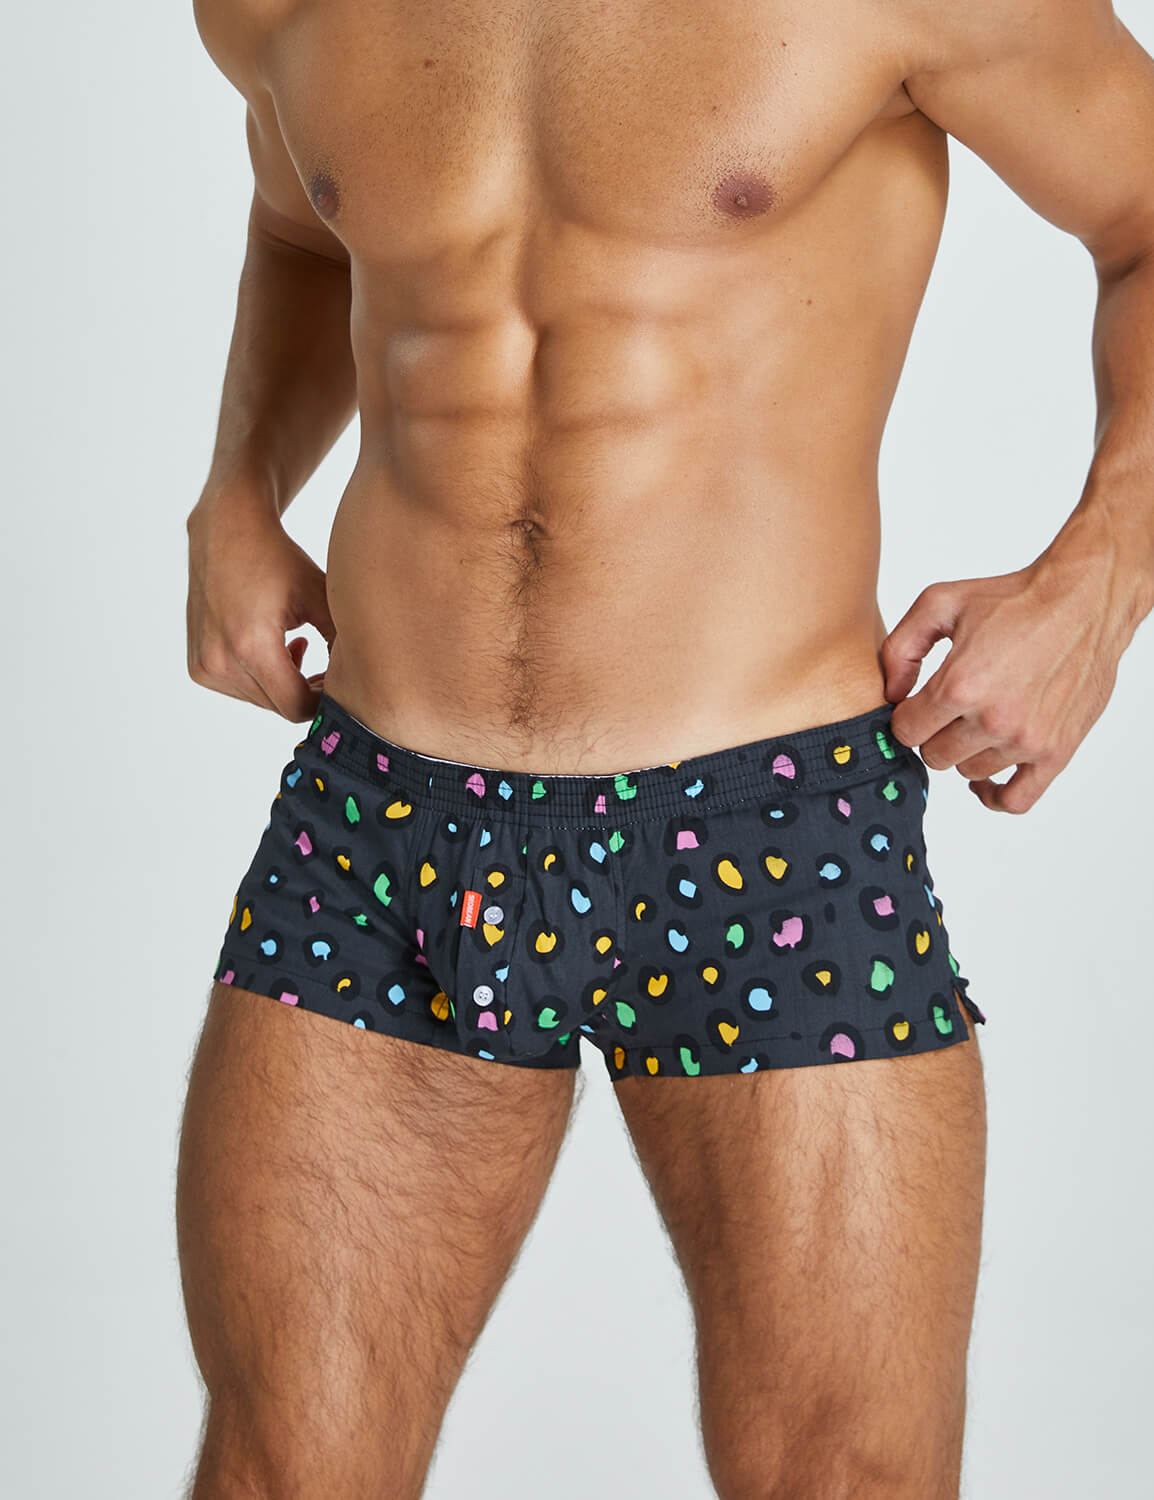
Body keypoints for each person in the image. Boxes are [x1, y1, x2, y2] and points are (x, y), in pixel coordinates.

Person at [176, 1, 1154, 1494]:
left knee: (853, 1481)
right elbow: (307, 225)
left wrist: (1103, 577)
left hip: (777, 825)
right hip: (381, 820)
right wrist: (239, 488)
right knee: (280, 1474)